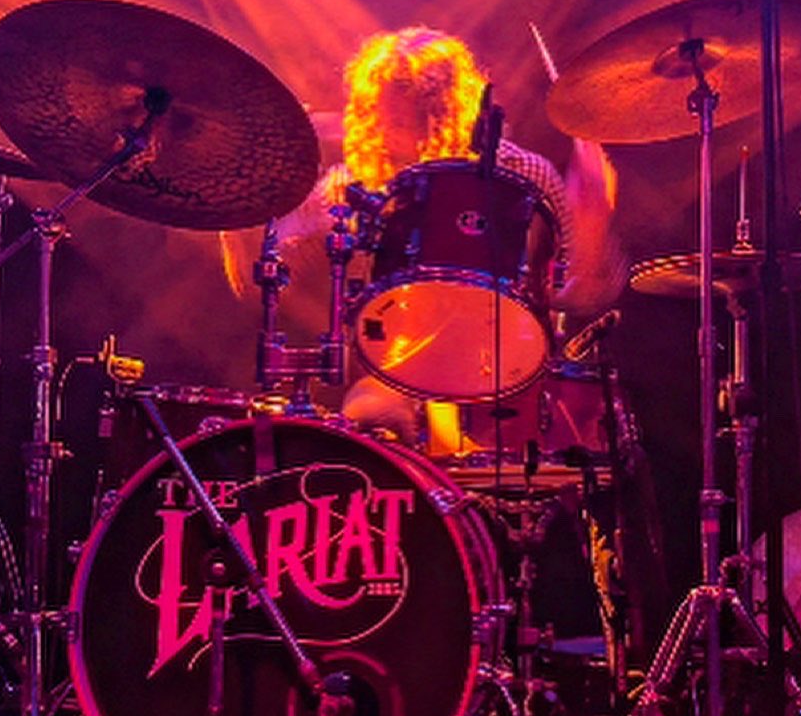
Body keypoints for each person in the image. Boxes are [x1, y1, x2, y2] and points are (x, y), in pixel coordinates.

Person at [220, 25, 627, 438]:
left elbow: (581, 296)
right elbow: (259, 282)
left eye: (414, 118)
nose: (395, 132)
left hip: (507, 372)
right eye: (385, 117)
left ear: (450, 111)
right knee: (371, 418)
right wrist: (239, 204)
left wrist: (593, 218)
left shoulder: (519, 173)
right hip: (396, 374)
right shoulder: (352, 186)